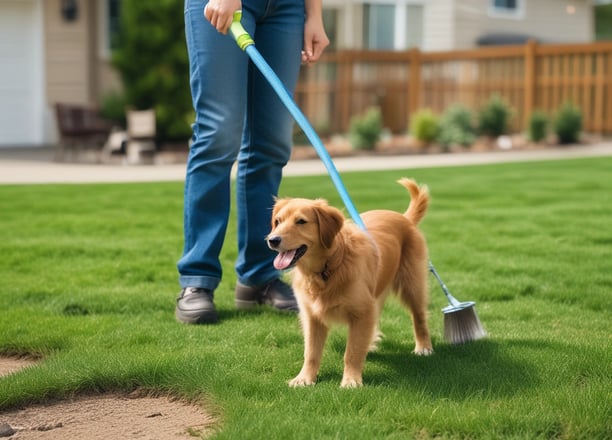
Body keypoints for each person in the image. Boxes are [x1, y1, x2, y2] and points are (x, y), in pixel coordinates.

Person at [176, 0, 329, 324]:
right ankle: (197, 281)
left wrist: (313, 15)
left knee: (271, 143)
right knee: (218, 133)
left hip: (287, 9)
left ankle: (259, 277)